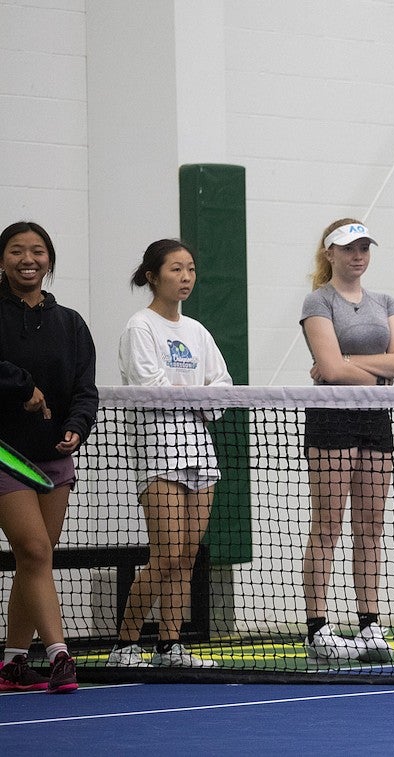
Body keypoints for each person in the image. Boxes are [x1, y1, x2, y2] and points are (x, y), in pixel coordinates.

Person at [109, 239, 233, 668]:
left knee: (187, 556)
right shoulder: (139, 327)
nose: (186, 277)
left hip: (201, 454)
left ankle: (169, 646)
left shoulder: (198, 331)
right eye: (176, 269)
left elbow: (222, 390)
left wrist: (191, 395)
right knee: (163, 557)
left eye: (191, 269)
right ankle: (124, 645)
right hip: (158, 454)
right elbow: (152, 390)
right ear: (152, 276)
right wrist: (194, 395)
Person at [300, 219, 394, 662]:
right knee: (327, 526)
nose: (358, 255)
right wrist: (357, 366)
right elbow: (329, 371)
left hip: (375, 419)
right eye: (348, 248)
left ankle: (369, 624)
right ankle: (317, 629)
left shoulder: (385, 301)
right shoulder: (318, 301)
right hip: (332, 420)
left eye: (364, 247)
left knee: (370, 529)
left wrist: (348, 359)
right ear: (330, 254)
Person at [0, 221, 95, 694]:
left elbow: (85, 389)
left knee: (33, 557)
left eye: (37, 251)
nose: (27, 259)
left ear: (49, 261)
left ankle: (14, 662)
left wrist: (77, 425)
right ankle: (60, 655)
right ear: (2, 261)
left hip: (53, 457)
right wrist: (24, 387)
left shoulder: (71, 323)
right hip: (4, 453)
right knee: (35, 550)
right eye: (16, 251)